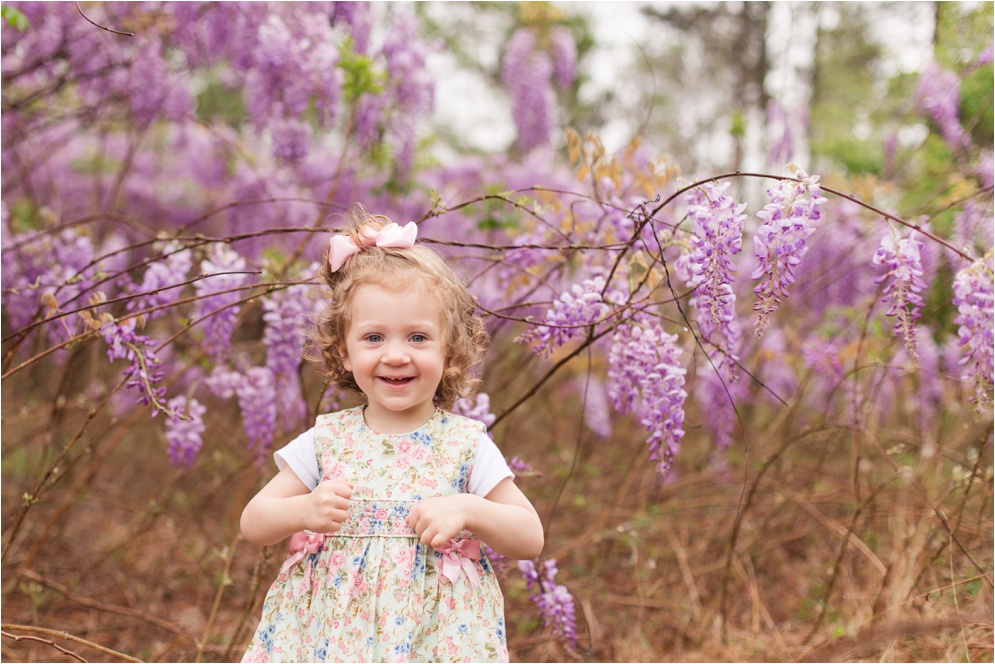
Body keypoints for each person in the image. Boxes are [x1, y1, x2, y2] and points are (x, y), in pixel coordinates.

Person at [240, 208, 544, 663]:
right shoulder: (327, 439)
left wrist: (469, 509)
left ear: (450, 349)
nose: (396, 355)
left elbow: (530, 537)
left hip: (436, 638)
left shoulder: (465, 443)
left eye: (418, 338)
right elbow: (254, 521)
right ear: (344, 352)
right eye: (374, 338)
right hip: (334, 633)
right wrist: (303, 509)